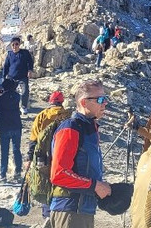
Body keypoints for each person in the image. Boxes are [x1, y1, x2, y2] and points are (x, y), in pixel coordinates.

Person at [49, 79, 114, 228]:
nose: (105, 103)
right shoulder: (71, 128)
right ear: (84, 102)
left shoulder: (89, 127)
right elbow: (59, 173)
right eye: (100, 99)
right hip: (70, 210)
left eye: (106, 99)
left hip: (82, 210)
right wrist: (95, 186)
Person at [23, 90, 72, 224]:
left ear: (50, 102)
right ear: (61, 102)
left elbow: (33, 139)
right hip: (62, 155)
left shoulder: (41, 116)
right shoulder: (67, 116)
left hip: (42, 157)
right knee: (60, 183)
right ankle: (59, 214)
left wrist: (29, 158)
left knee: (45, 184)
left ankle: (47, 215)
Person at [0, 78, 24, 183]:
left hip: (4, 126)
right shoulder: (17, 96)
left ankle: (3, 174)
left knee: (4, 151)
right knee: (16, 150)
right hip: (16, 125)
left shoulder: (0, 98)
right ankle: (18, 172)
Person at [3, 35, 35, 115]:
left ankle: (24, 107)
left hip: (22, 77)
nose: (14, 46)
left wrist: (30, 70)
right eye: (13, 44)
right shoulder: (9, 54)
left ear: (19, 44)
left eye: (16, 44)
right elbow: (6, 66)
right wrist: (4, 77)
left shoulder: (25, 53)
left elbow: (30, 62)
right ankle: (11, 107)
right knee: (9, 92)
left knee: (25, 92)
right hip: (11, 77)